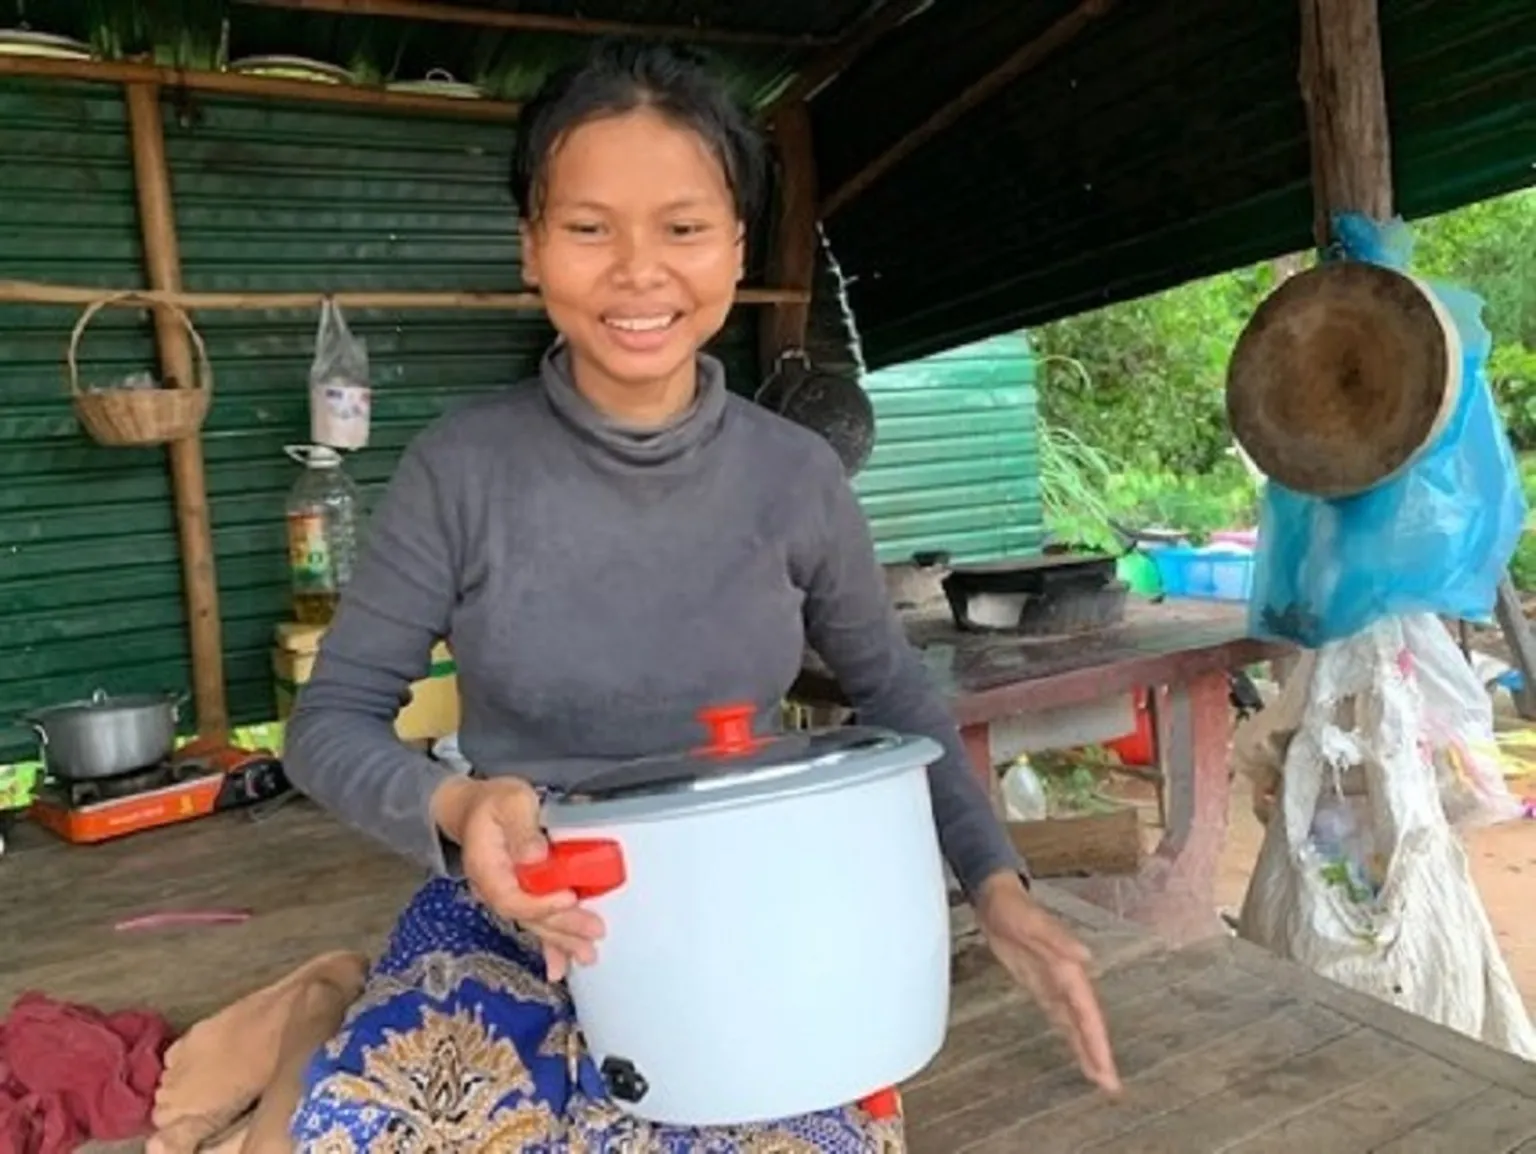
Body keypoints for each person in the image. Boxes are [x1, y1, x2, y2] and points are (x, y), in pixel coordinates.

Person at [277, 38, 1121, 1152]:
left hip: (753, 912)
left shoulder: (794, 477)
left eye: (682, 228)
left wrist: (996, 883)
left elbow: (895, 696)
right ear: (532, 249)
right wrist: (458, 809)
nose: (639, 272)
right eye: (589, 229)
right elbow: (324, 724)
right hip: (517, 902)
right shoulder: (462, 468)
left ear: (734, 248)